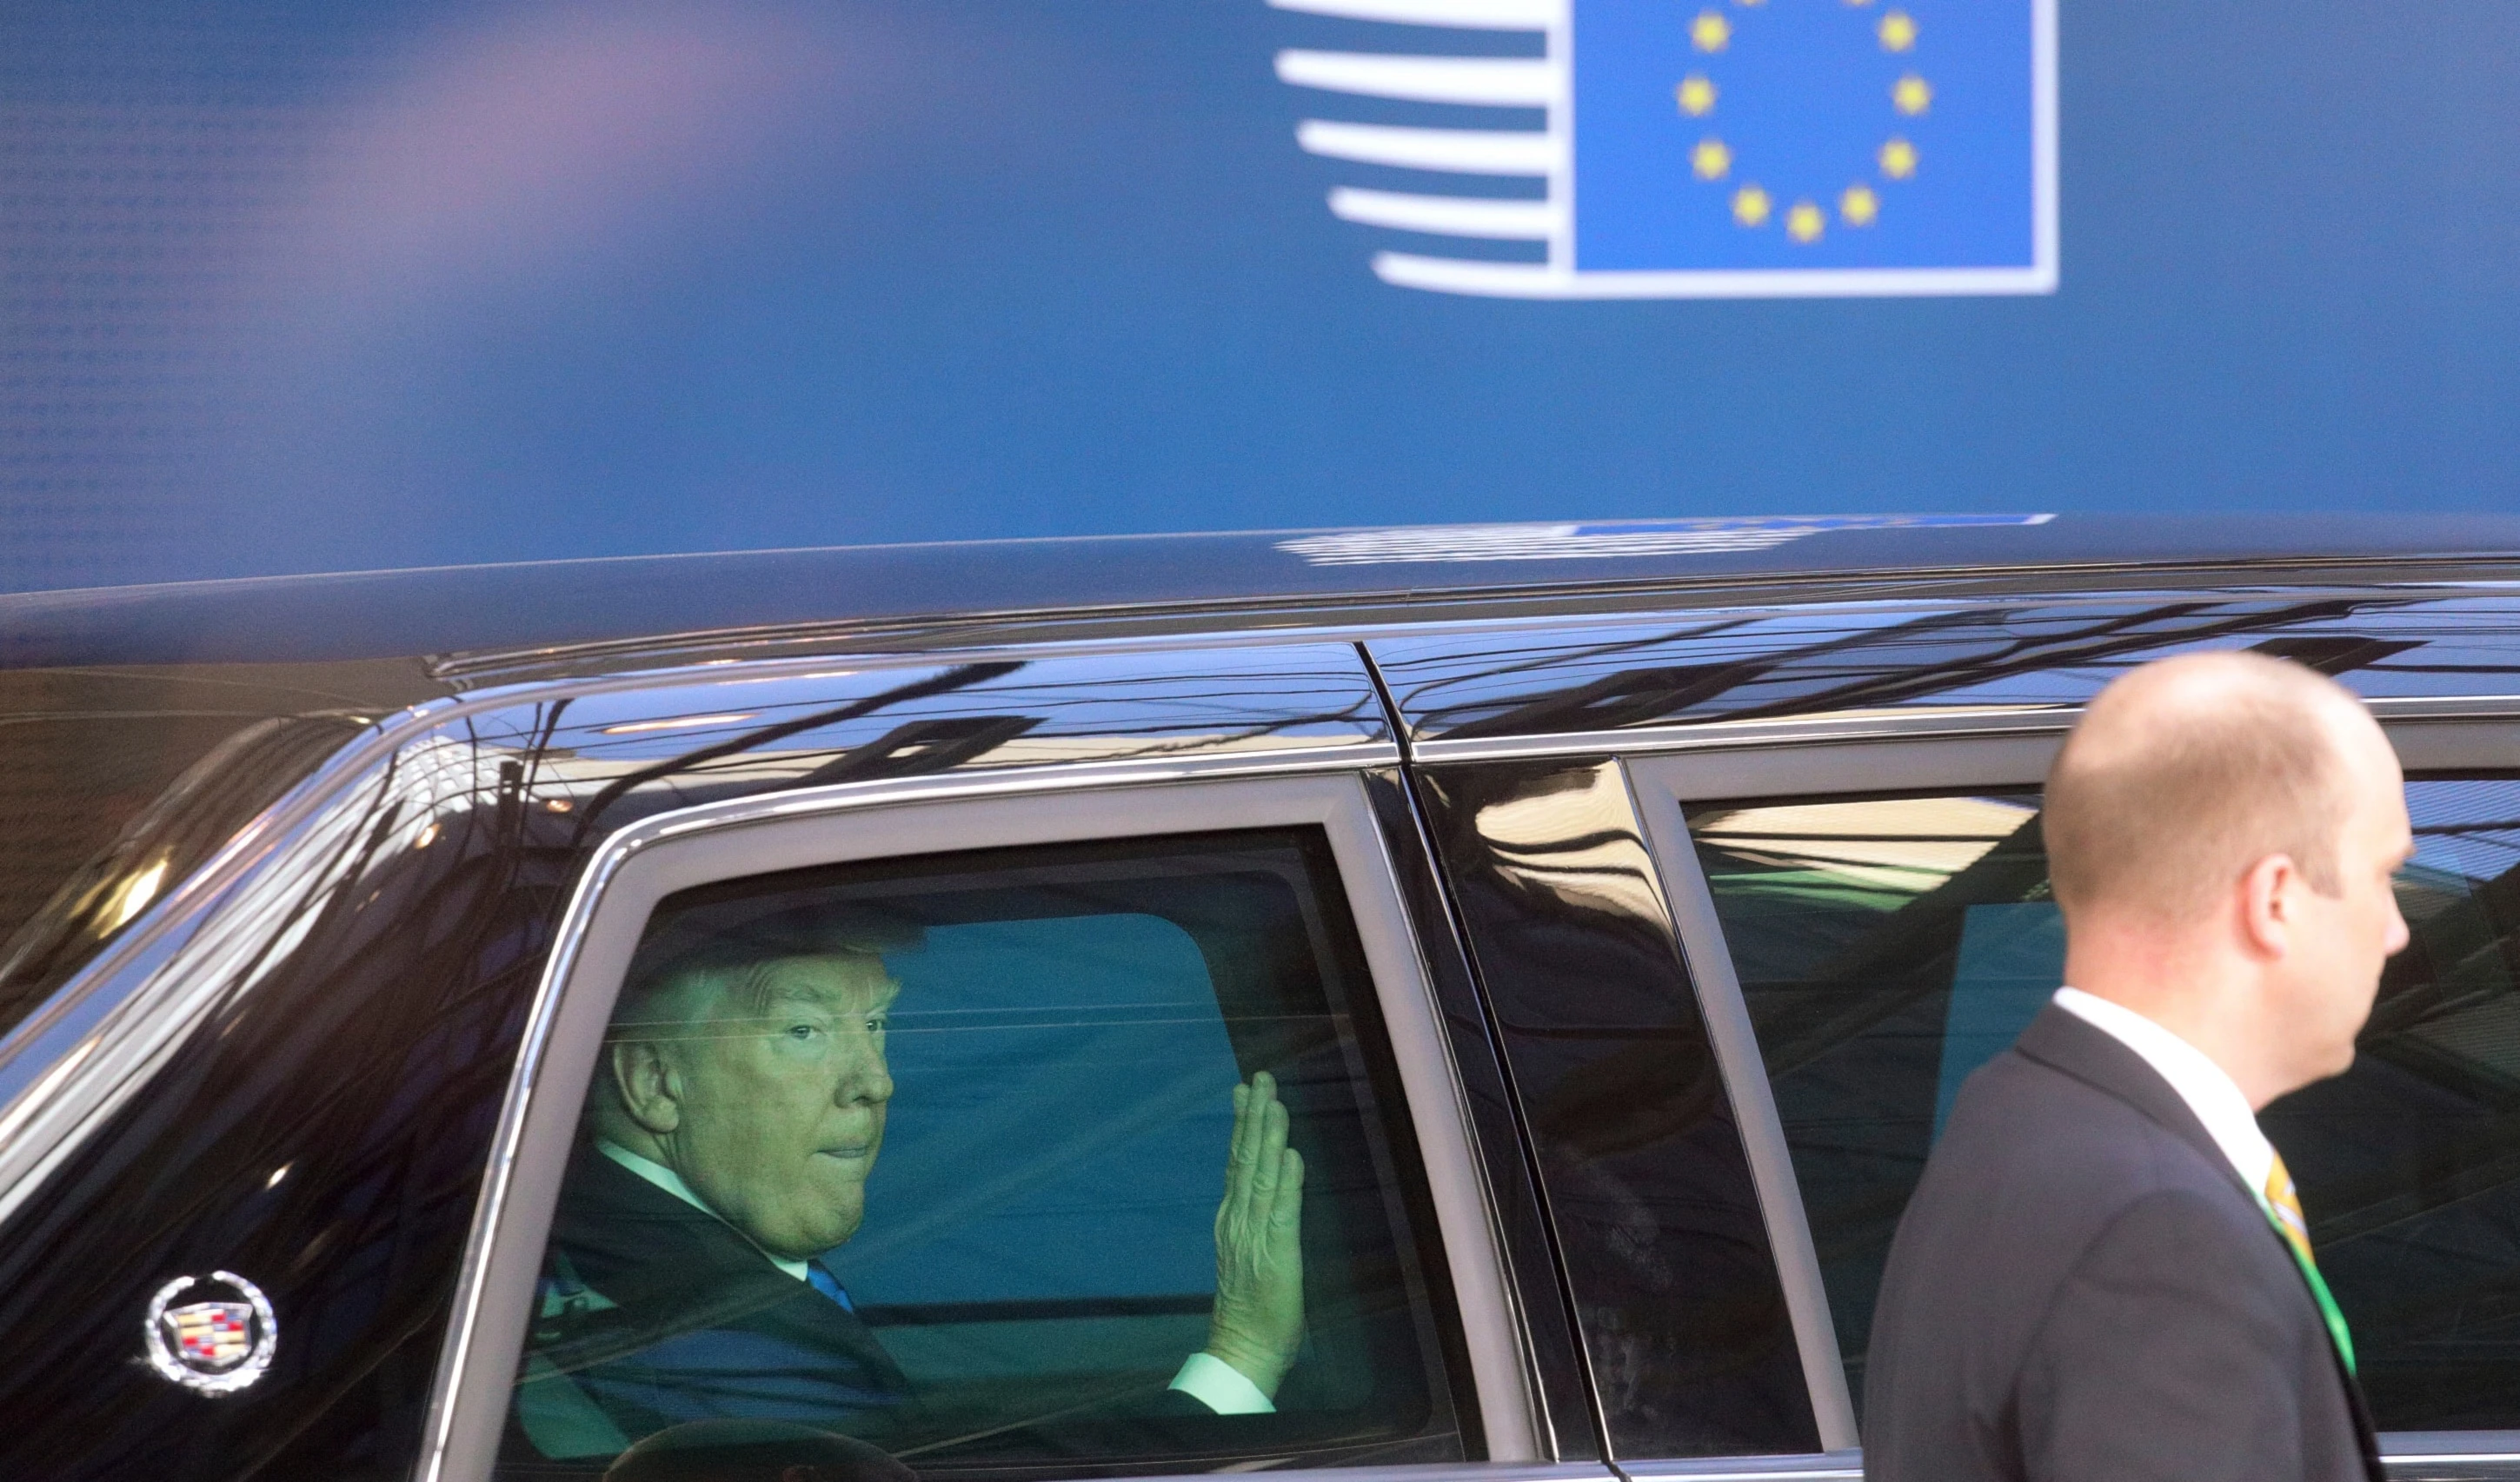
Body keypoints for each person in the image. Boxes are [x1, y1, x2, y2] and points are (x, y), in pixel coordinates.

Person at [1864, 651, 2412, 1482]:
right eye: (2385, 874)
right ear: (2274, 900)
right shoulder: (2161, 1237)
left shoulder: (2010, 1119)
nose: (2398, 930)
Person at [511, 905, 1307, 1460]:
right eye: (804, 1030)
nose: (875, 1081)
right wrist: (1244, 1356)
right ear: (655, 1082)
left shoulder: (613, 1254)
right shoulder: (700, 1340)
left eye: (878, 1024)